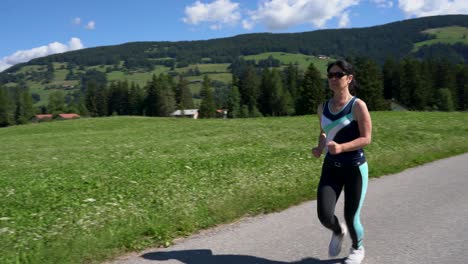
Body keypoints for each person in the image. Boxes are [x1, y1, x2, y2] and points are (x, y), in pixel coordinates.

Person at [311, 60, 372, 264]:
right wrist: (320, 147)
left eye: (339, 74)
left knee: (351, 215)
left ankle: (357, 247)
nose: (334, 78)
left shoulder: (357, 106)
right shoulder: (323, 107)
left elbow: (366, 138)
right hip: (331, 168)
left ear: (349, 78)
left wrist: (342, 147)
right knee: (324, 215)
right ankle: (338, 232)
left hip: (355, 168)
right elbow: (323, 132)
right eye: (330, 75)